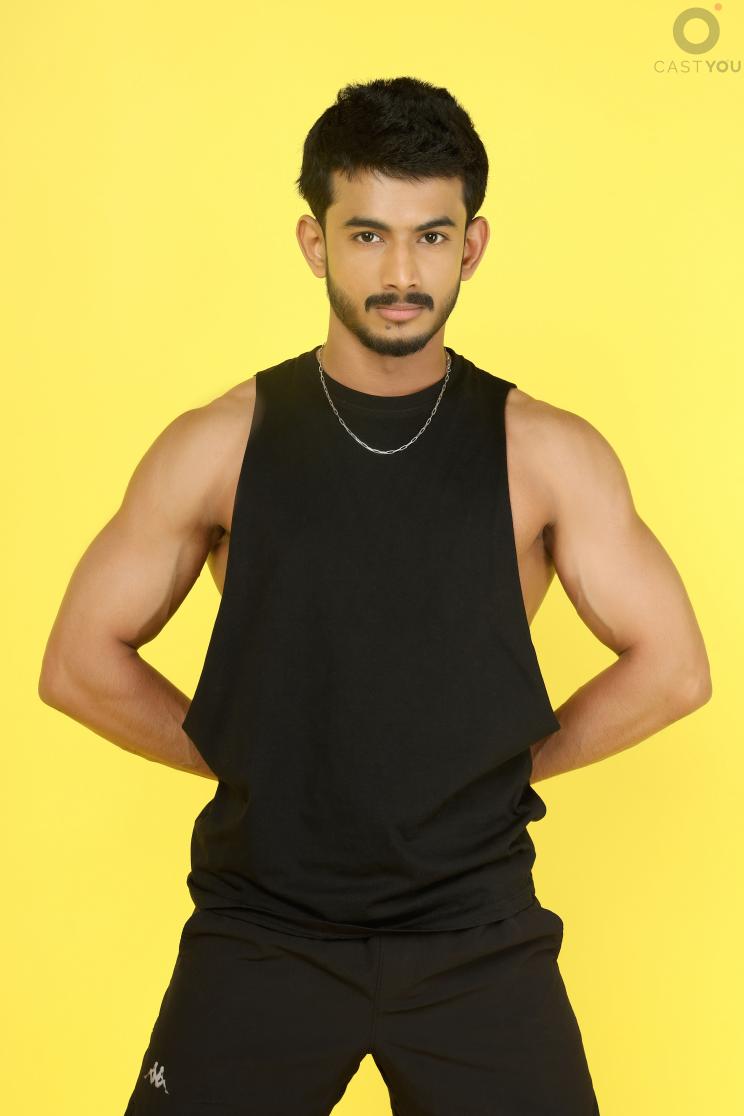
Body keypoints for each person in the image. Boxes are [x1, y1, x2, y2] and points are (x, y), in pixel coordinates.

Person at [39, 76, 711, 1115]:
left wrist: (503, 768)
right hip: (261, 932)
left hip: (477, 939)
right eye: (367, 236)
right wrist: (255, 759)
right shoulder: (219, 443)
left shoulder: (544, 452)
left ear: (471, 246)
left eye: (430, 236)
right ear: (315, 242)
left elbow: (674, 669)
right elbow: (78, 663)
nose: (401, 273)